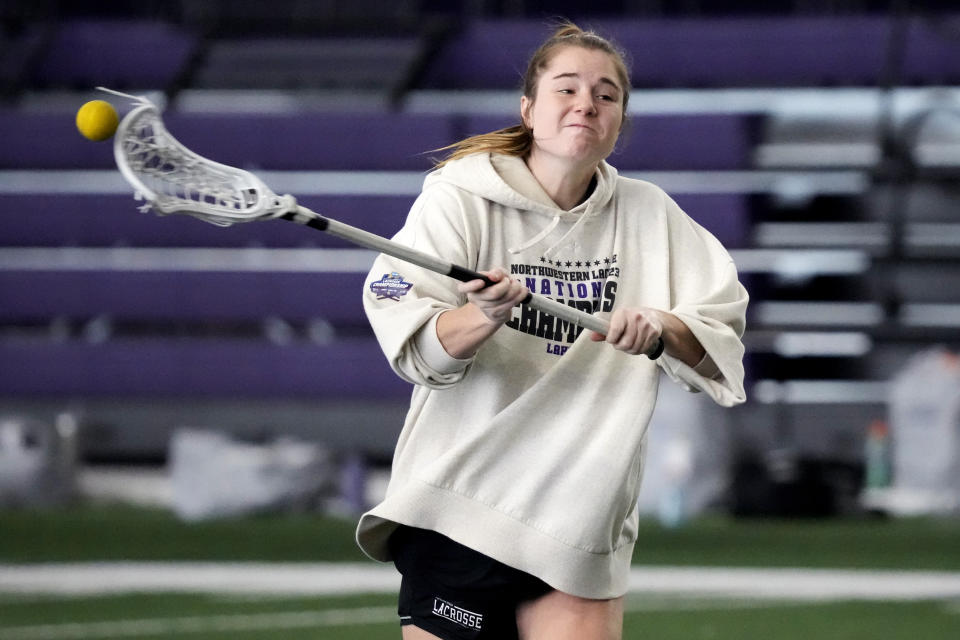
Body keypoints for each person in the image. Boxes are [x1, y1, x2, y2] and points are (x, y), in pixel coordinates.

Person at [358, 21, 748, 640]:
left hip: (581, 520)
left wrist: (662, 325)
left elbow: (719, 333)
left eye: (606, 94)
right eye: (566, 89)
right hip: (464, 503)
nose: (586, 103)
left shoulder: (652, 215)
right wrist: (481, 316)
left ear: (619, 121)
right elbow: (415, 344)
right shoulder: (458, 199)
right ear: (529, 109)